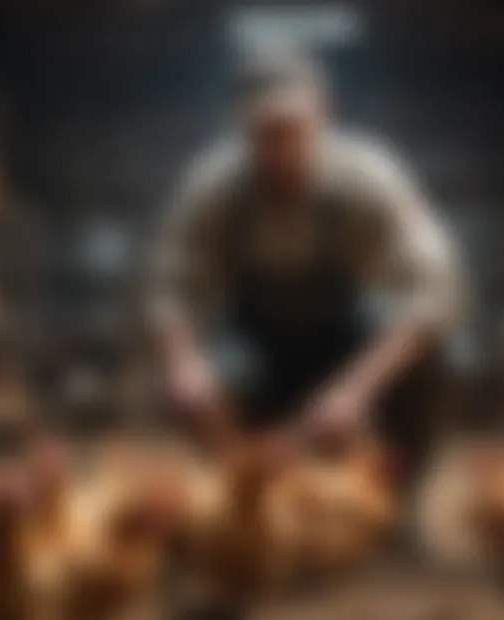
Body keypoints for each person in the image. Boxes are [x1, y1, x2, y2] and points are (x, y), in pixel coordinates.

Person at [149, 49, 466, 478]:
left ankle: (401, 502)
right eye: (265, 131)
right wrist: (184, 365)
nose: (280, 146)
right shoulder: (212, 188)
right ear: (239, 125)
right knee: (189, 384)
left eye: (291, 128)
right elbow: (172, 284)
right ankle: (239, 492)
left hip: (342, 344)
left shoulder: (368, 178)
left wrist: (355, 390)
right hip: (254, 349)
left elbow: (434, 290)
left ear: (323, 114)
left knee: (430, 361)